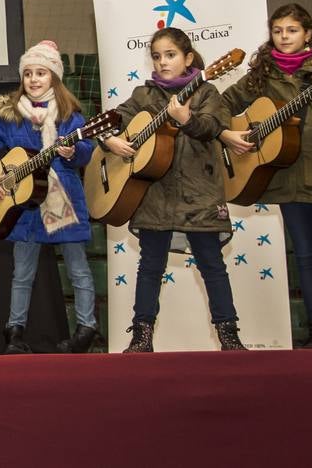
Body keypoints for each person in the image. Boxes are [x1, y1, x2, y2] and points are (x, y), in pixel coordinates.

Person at [105, 28, 246, 352]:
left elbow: (213, 127)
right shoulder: (144, 95)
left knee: (212, 263)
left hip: (199, 191)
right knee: (150, 265)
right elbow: (116, 119)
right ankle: (141, 336)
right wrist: (110, 138)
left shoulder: (208, 91)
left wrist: (187, 119)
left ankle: (229, 334)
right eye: (157, 56)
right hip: (156, 194)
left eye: (170, 55)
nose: (163, 62)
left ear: (189, 58)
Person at [220, 3, 312, 348]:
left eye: (291, 31)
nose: (284, 37)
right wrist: (227, 133)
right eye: (278, 31)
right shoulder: (263, 74)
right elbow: (223, 103)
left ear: (308, 34)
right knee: (304, 253)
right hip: (283, 175)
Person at [0, 40, 99, 354]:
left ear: (54, 76)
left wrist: (72, 151)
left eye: (41, 72)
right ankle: (14, 333)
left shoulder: (70, 116)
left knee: (78, 269)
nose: (34, 79)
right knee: (22, 273)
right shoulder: (9, 115)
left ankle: (86, 328)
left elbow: (86, 151)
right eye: (28, 73)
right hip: (24, 208)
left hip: (64, 201)